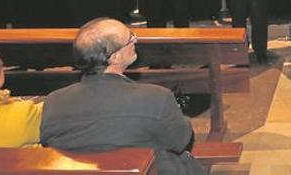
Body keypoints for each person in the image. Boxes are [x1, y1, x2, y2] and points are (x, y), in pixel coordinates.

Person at [41, 18, 203, 174]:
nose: (135, 40)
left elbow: (49, 143)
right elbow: (180, 141)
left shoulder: (54, 101)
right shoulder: (156, 97)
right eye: (130, 38)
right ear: (116, 57)